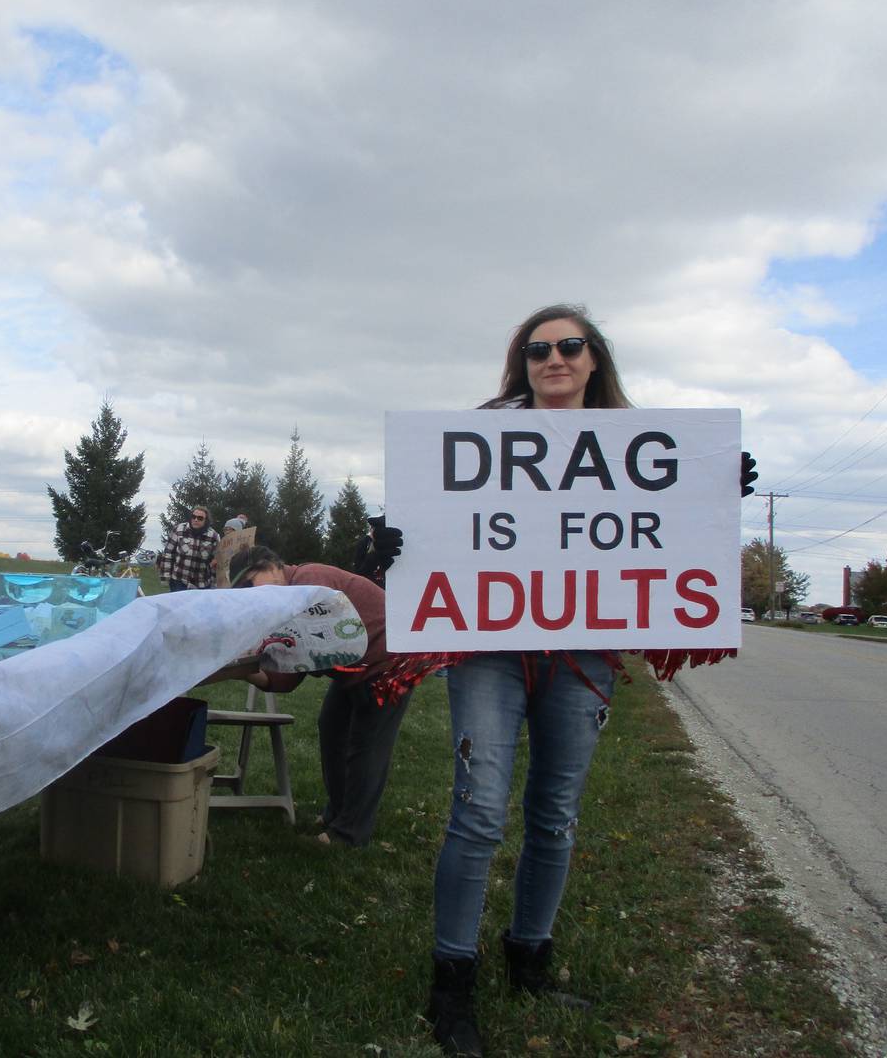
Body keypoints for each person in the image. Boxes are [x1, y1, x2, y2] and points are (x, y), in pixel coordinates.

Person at [424, 304, 757, 1057]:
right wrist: (393, 543)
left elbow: (664, 530)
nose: (555, 358)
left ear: (594, 358)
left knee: (555, 813)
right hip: (489, 648)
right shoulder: (479, 438)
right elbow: (443, 521)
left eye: (570, 345)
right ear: (523, 363)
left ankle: (529, 960)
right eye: (538, 349)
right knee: (479, 810)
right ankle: (452, 983)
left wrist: (711, 493)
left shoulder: (638, 445)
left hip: (582, 653)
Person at [228, 545, 430, 848]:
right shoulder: (286, 603)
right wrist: (238, 667)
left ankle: (350, 833)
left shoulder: (309, 583)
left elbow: (305, 655)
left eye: (249, 583)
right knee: (332, 728)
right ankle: (338, 811)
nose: (249, 595)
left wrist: (263, 651)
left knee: (367, 745)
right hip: (356, 668)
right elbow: (284, 679)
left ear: (272, 565)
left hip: (389, 659)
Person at [156, 505, 221, 592]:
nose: (196, 520)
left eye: (200, 518)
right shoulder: (179, 530)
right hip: (178, 580)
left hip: (202, 583)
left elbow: (216, 561)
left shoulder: (214, 536)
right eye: (193, 517)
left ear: (206, 521)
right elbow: (168, 553)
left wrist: (214, 584)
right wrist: (166, 576)